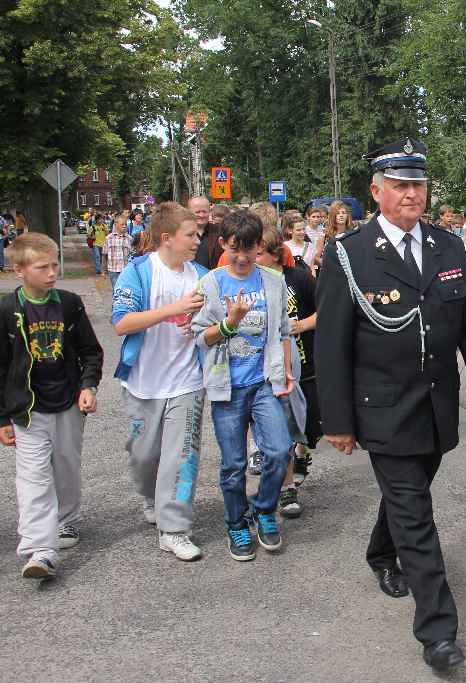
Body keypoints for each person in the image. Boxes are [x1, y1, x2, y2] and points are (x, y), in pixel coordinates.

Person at [314, 137, 466, 672]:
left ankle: (382, 551)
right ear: (376, 191)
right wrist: (338, 420)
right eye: (400, 185)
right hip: (382, 408)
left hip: (436, 407)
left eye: (418, 184)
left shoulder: (448, 247)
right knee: (416, 515)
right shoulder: (350, 253)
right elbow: (331, 345)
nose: (411, 194)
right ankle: (438, 631)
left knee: (409, 494)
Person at [191, 209, 295, 562]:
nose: (241, 257)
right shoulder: (211, 284)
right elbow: (199, 337)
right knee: (234, 464)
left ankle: (264, 510)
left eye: (249, 249)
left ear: (259, 247)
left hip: (263, 383)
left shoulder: (273, 282)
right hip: (228, 388)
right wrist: (229, 324)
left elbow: (282, 331)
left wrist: (286, 372)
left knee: (279, 450)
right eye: (234, 248)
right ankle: (236, 522)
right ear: (222, 244)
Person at [0, 233, 103, 579]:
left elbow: (91, 351)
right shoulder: (7, 310)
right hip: (28, 410)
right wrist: (3, 417)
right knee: (33, 479)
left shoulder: (70, 304)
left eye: (54, 265)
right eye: (42, 267)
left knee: (66, 466)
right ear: (19, 270)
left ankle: (67, 520)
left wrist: (88, 385)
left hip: (68, 403)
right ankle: (40, 551)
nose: (52, 273)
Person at [110, 202, 207, 561]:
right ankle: (150, 496)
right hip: (143, 383)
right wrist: (174, 309)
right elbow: (122, 323)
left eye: (198, 234)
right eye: (190, 235)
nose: (197, 240)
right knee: (144, 456)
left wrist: (200, 324)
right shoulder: (138, 272)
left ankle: (175, 529)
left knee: (182, 456)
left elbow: (213, 321)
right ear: (167, 238)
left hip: (187, 381)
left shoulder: (202, 275)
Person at [256, 226, 319, 518]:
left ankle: (302, 453)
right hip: (271, 369)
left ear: (274, 254)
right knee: (281, 428)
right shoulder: (252, 281)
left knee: (308, 427)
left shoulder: (298, 278)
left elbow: (326, 308)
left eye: (259, 253)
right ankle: (287, 487)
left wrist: (301, 325)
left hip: (306, 363)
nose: (253, 258)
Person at [103, 213, 132, 289]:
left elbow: (132, 255)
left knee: (126, 290)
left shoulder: (129, 239)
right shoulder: (109, 238)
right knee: (116, 290)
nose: (124, 226)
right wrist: (104, 270)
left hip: (126, 270)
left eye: (125, 224)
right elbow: (104, 254)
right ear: (116, 225)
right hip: (113, 270)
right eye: (122, 224)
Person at [188, 196, 214, 269]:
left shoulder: (219, 232)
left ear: (209, 212)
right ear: (189, 212)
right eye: (197, 212)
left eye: (204, 211)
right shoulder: (180, 233)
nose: (201, 215)